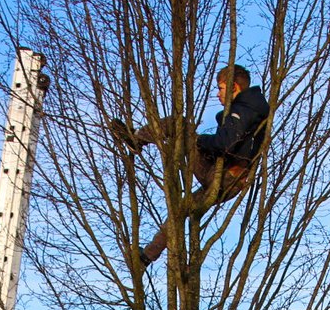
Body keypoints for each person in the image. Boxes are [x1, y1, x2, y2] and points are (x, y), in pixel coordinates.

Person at [109, 63, 271, 263]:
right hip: (229, 180)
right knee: (180, 210)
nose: (218, 94)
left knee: (181, 125)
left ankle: (137, 139)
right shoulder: (252, 110)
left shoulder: (244, 109)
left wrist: (199, 141)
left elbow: (225, 143)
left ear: (234, 87)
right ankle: (146, 257)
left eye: (221, 88)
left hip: (224, 176)